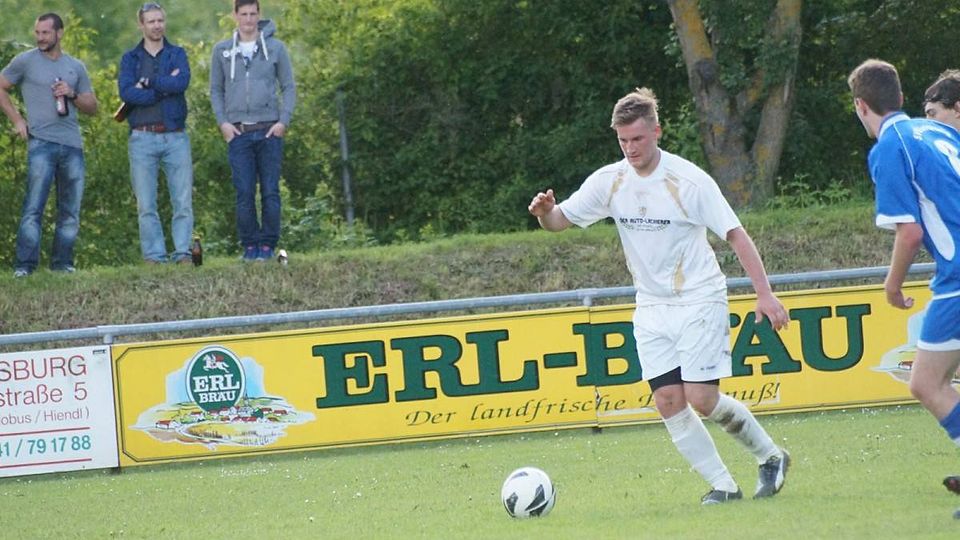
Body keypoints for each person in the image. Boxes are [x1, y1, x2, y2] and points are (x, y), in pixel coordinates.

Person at [528, 87, 791, 505]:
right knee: (667, 399)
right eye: (623, 140)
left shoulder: (688, 181)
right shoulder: (610, 181)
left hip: (699, 297)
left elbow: (736, 234)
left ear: (656, 132)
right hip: (651, 305)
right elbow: (560, 221)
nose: (630, 148)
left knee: (702, 398)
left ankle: (770, 456)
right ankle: (723, 486)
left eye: (637, 138)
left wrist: (765, 295)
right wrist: (545, 214)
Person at [848, 59, 960, 513]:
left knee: (926, 382)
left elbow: (909, 233)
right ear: (899, 97)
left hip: (957, 279)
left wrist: (892, 286)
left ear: (861, 106)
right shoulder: (935, 131)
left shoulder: (890, 147)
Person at [0, 13, 97, 278]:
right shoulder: (26, 61)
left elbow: (92, 107)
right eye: (38, 33)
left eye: (45, 33)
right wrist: (17, 120)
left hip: (72, 145)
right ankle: (25, 266)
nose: (40, 38)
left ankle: (62, 265)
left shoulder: (75, 66)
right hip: (41, 143)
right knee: (34, 207)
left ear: (59, 33)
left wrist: (72, 94)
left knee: (70, 210)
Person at [209, 0, 296, 262]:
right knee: (244, 192)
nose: (248, 19)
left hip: (269, 130)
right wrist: (223, 123)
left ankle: (268, 244)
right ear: (235, 15)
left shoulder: (276, 48)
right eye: (244, 14)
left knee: (270, 190)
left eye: (253, 14)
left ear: (259, 15)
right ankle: (249, 245)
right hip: (238, 133)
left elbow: (288, 86)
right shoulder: (222, 50)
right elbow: (216, 90)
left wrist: (283, 121)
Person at [118, 2, 194, 265]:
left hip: (175, 135)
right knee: (146, 203)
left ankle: (183, 253)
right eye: (151, 21)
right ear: (141, 25)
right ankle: (154, 256)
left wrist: (149, 83)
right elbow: (127, 93)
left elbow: (181, 82)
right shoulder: (130, 59)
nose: (157, 25)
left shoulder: (177, 54)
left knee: (182, 200)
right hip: (142, 137)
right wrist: (162, 90)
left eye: (160, 20)